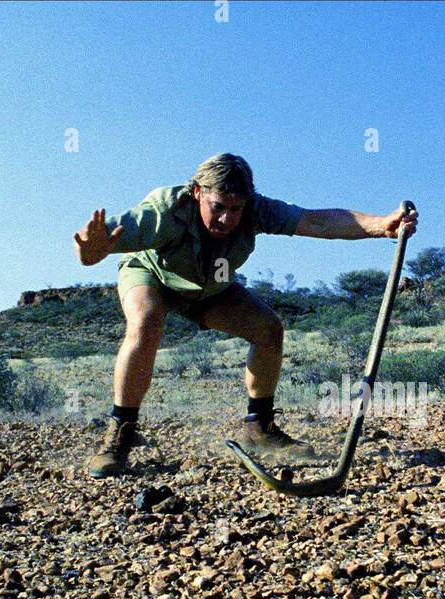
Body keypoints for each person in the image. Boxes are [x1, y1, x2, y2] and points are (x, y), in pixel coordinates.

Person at [74, 153, 418, 478]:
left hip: (210, 286)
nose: (227, 219)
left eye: (236, 209)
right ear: (197, 193)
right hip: (153, 276)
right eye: (218, 207)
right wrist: (89, 252)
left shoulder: (256, 210)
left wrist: (378, 225)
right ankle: (119, 434)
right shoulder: (166, 209)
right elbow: (101, 240)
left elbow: (315, 220)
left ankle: (259, 428)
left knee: (268, 329)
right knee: (147, 323)